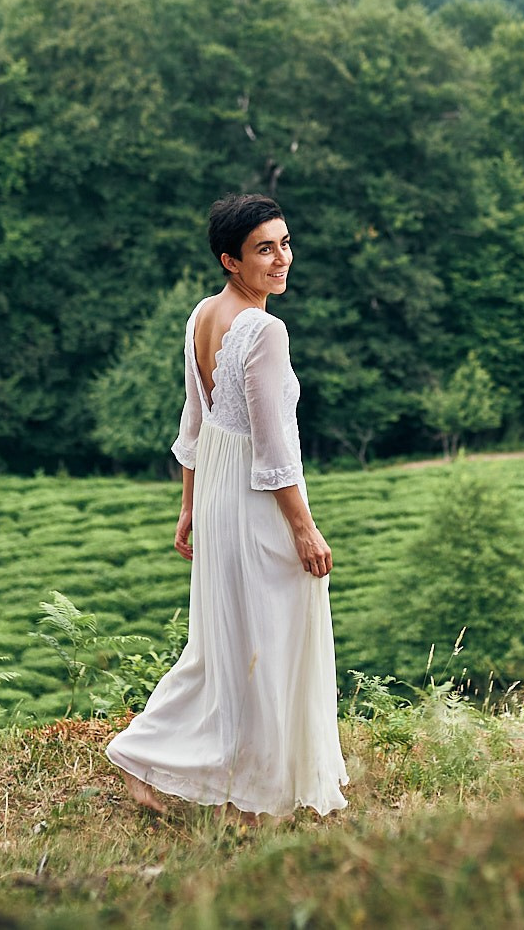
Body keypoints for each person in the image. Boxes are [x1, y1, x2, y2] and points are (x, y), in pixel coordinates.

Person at [104, 194, 350, 822]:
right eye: (265, 248)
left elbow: (196, 422)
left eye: (285, 243)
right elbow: (274, 449)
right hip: (255, 500)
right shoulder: (265, 332)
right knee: (268, 641)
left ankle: (147, 756)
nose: (282, 258)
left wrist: (189, 505)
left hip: (218, 492)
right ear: (230, 259)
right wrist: (306, 529)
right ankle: (255, 796)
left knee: (222, 644)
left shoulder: (202, 315)